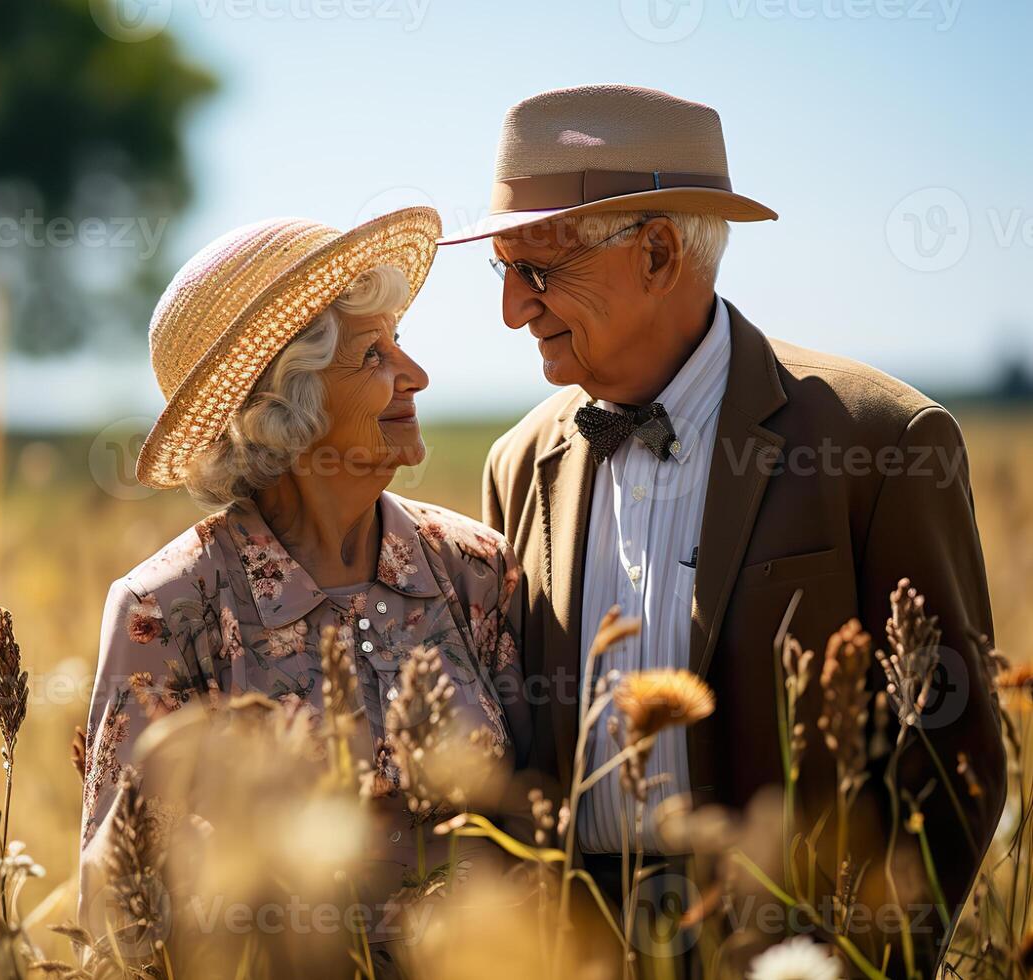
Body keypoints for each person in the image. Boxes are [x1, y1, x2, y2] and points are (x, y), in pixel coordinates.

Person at [441, 84, 1005, 975]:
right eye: (500, 271)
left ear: (659, 252)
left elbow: (949, 749)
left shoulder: (881, 438)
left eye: (538, 272)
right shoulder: (518, 463)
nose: (512, 310)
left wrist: (858, 965)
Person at [78, 208, 529, 959]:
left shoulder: (471, 565)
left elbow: (535, 820)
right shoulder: (170, 607)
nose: (414, 376)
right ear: (282, 408)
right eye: (371, 356)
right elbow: (119, 903)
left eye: (401, 344)